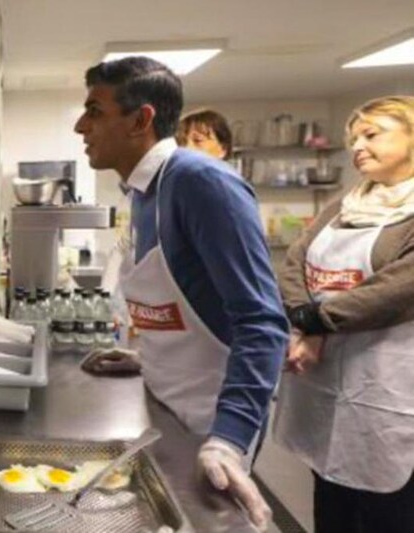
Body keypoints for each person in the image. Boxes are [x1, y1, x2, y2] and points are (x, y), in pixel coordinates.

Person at [74, 57, 287, 530]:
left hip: (212, 419)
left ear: (140, 120)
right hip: (165, 405)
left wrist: (228, 439)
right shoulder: (143, 192)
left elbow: (263, 323)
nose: (80, 125)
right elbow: (183, 302)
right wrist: (146, 356)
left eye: (94, 110)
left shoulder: (200, 182)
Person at [273, 95, 414, 533]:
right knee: (331, 497)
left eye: (372, 135)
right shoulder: (345, 203)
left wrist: (317, 322)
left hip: (389, 384)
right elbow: (295, 262)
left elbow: (397, 287)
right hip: (327, 380)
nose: (357, 146)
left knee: (388, 510)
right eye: (353, 138)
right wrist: (300, 316)